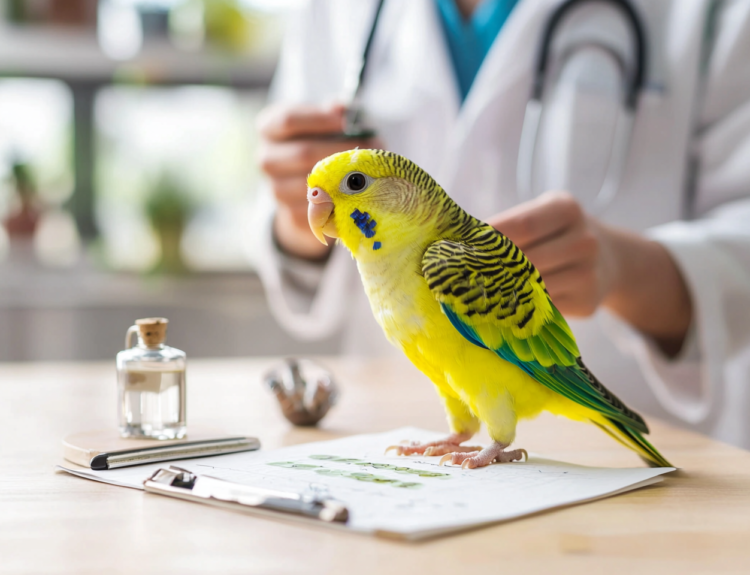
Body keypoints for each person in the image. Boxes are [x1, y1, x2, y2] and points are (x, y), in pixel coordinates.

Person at [251, 0, 750, 450]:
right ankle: (461, 430)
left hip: (658, 434)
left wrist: (626, 267)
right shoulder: (330, 12)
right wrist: (297, 215)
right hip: (380, 416)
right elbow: (281, 224)